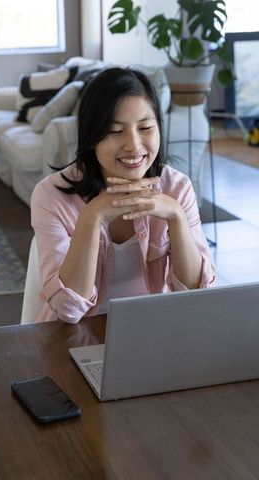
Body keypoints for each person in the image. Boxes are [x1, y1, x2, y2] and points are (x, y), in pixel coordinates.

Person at [31, 67, 215, 324]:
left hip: (151, 333)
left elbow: (200, 295)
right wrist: (92, 217)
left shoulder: (176, 188)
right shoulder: (50, 195)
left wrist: (176, 216)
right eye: (115, 131)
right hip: (72, 338)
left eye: (145, 127)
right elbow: (68, 310)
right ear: (91, 136)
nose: (134, 145)